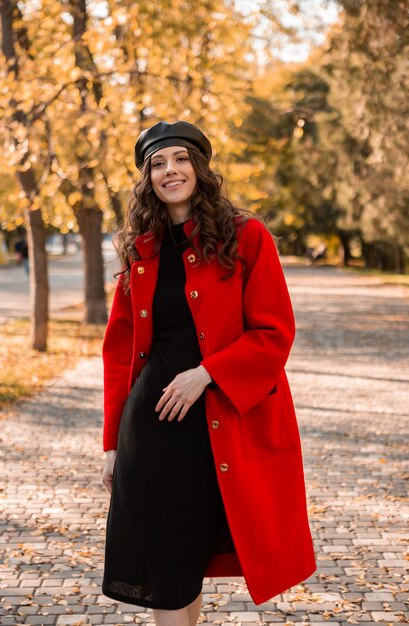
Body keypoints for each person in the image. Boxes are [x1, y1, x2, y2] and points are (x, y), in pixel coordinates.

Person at [101, 120, 316, 626]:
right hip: (152, 433)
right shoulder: (142, 247)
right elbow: (117, 351)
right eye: (157, 163)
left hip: (221, 424)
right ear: (148, 177)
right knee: (166, 566)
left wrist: (207, 374)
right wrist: (112, 443)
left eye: (179, 159)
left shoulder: (246, 236)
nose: (169, 170)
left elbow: (274, 332)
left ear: (200, 167)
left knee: (188, 561)